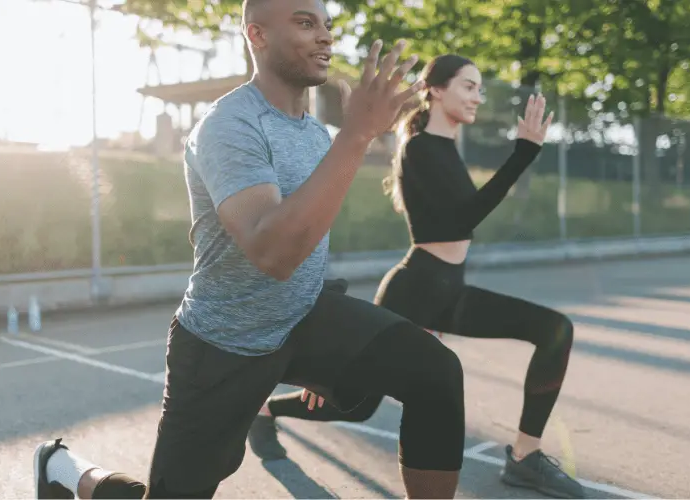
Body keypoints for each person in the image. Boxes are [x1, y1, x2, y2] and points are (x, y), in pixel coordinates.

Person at [29, 0, 483, 498]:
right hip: (225, 342)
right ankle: (65, 468)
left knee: (436, 372)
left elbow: (310, 239)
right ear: (258, 35)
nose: (325, 37)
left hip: (302, 320)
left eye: (327, 26)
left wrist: (329, 351)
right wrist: (356, 133)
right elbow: (274, 251)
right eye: (306, 23)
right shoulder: (228, 126)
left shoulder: (315, 134)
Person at [249, 54, 586, 500]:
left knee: (554, 330)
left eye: (480, 88)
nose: (477, 97)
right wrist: (523, 153)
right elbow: (464, 218)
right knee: (357, 404)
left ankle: (524, 457)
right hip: (415, 290)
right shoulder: (420, 148)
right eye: (468, 86)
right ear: (437, 89)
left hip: (452, 290)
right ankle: (266, 412)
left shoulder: (446, 149)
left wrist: (522, 153)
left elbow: (464, 218)